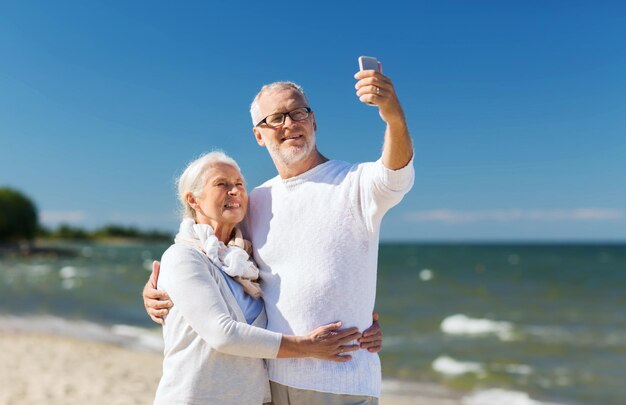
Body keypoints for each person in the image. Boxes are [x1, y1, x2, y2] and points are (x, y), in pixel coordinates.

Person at [145, 65, 414, 404]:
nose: (289, 124)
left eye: (298, 112)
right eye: (276, 118)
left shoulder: (354, 183)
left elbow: (396, 173)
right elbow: (210, 250)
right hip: (272, 381)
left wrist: (393, 117)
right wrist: (158, 289)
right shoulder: (255, 201)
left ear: (313, 121)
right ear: (259, 135)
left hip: (343, 376)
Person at [153, 151, 363, 405]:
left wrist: (362, 322)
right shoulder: (182, 257)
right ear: (193, 200)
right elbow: (223, 334)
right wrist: (308, 346)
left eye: (239, 184)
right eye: (222, 184)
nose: (235, 191)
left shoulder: (246, 262)